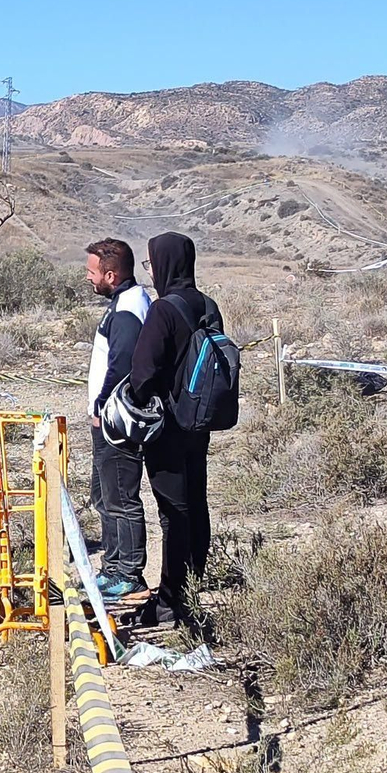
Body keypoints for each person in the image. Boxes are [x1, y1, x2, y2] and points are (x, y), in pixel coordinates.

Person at [129, 232, 223, 627]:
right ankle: (190, 588)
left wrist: (135, 401)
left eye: (151, 265)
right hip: (199, 421)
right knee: (195, 503)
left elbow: (143, 372)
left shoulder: (163, 309)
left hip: (167, 425)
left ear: (164, 264)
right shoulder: (208, 304)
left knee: (173, 512)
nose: (151, 273)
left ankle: (170, 600)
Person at [84, 238, 152, 600]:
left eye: (92, 272)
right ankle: (112, 569)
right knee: (105, 495)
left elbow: (122, 364)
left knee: (121, 497)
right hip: (110, 418)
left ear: (110, 275)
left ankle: (128, 573)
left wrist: (100, 406)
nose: (88, 278)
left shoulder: (127, 308)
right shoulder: (124, 303)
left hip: (115, 421)